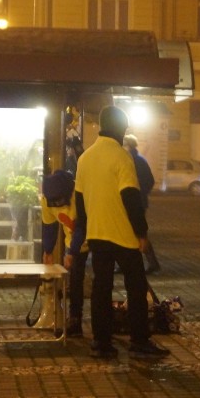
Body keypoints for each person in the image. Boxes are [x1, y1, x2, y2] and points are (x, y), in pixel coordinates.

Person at [72, 106, 170, 360]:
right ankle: (139, 340)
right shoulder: (122, 157)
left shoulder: (85, 158)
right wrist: (142, 233)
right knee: (136, 288)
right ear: (121, 129)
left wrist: (85, 230)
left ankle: (101, 343)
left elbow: (80, 201)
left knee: (101, 290)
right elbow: (131, 198)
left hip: (97, 234)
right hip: (123, 234)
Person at [41, 170, 87, 337]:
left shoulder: (79, 195)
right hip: (73, 242)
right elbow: (49, 225)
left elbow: (82, 226)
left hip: (95, 238)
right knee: (74, 281)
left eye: (61, 202)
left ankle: (103, 321)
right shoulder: (47, 200)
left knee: (101, 281)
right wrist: (48, 250)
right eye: (55, 203)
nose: (59, 206)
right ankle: (75, 320)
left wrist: (72, 252)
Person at [123, 134, 160, 274]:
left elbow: (149, 181)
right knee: (131, 232)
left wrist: (138, 191)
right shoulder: (130, 159)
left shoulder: (137, 161)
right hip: (132, 200)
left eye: (124, 144)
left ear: (130, 146)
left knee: (138, 232)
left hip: (137, 201)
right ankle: (129, 263)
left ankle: (151, 263)